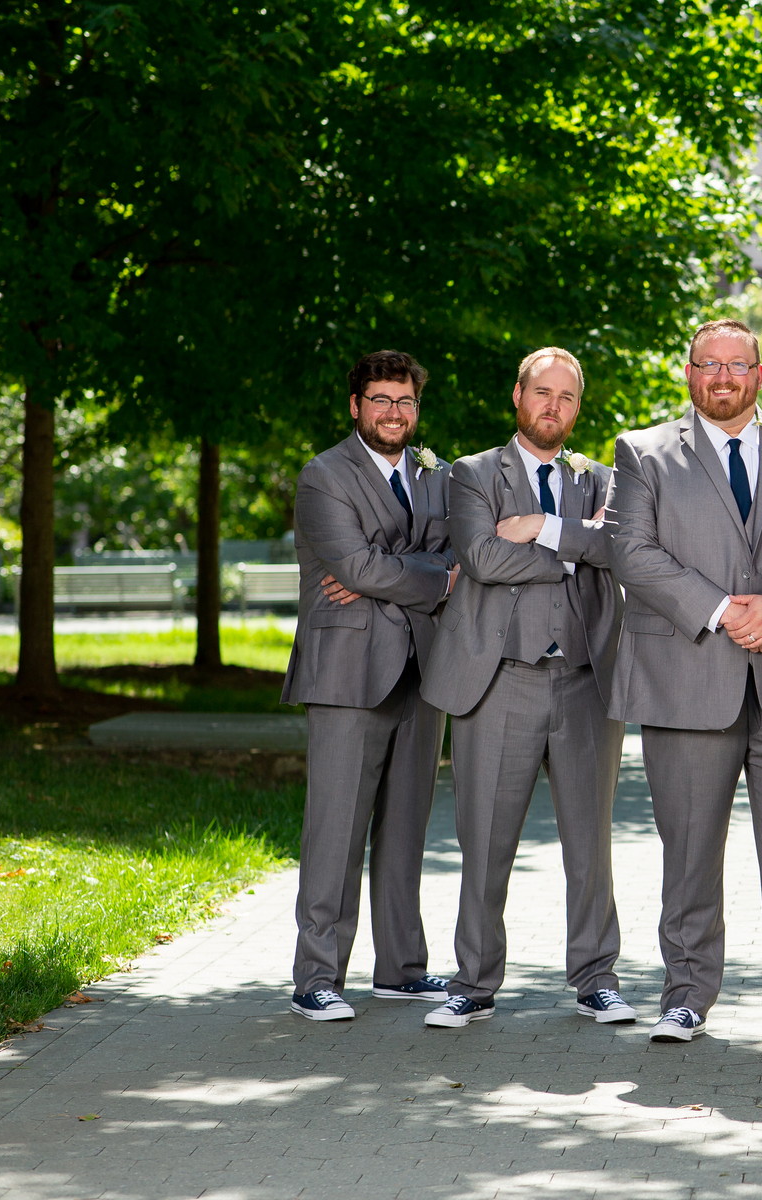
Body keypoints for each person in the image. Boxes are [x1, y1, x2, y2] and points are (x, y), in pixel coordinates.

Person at [603, 318, 762, 1042]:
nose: (725, 378)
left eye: (738, 366)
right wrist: (719, 611)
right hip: (687, 677)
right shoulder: (642, 454)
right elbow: (629, 551)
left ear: (760, 374)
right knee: (689, 849)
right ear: (689, 372)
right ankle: (686, 994)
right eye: (710, 365)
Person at [417, 347, 631, 1028]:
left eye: (567, 397)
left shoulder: (600, 478)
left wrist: (543, 530)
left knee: (589, 842)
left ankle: (596, 977)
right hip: (497, 680)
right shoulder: (474, 474)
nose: (554, 407)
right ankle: (473, 983)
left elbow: (620, 549)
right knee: (484, 838)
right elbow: (480, 557)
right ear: (518, 396)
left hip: (584, 684)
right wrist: (572, 553)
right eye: (543, 392)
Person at [284, 350, 457, 1021]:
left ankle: (401, 969)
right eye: (380, 400)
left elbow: (455, 553)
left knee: (407, 825)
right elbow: (355, 563)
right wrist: (431, 579)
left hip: (423, 669)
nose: (394, 412)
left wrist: (389, 571)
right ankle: (316, 977)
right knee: (336, 827)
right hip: (347, 674)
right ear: (355, 406)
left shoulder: (432, 475)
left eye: (405, 401)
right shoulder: (324, 476)